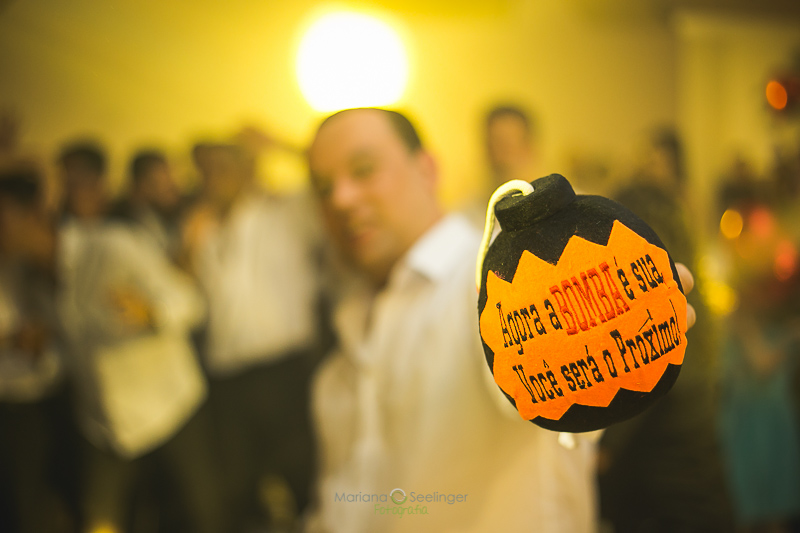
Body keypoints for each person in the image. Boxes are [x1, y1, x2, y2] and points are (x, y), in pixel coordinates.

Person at [305, 108, 602, 533]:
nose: (341, 199)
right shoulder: (339, 360)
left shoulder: (489, 281)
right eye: (323, 187)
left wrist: (604, 321)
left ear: (427, 169)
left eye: (363, 170)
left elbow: (562, 370)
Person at [183, 141, 326, 530]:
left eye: (222, 168)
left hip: (285, 372)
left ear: (245, 170)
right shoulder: (203, 230)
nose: (214, 178)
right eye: (206, 171)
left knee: (306, 482)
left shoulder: (285, 214)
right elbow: (192, 302)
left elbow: (325, 177)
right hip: (227, 379)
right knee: (238, 490)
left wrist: (275, 143)